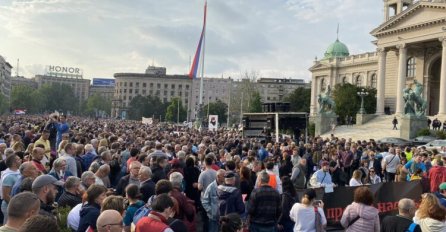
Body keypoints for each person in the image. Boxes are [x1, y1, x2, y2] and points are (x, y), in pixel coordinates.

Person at [1, 154, 21, 224]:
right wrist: (15, 206)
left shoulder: (18, 172)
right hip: (9, 206)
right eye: (18, 159)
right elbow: (5, 195)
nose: (21, 160)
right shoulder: (9, 176)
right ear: (13, 163)